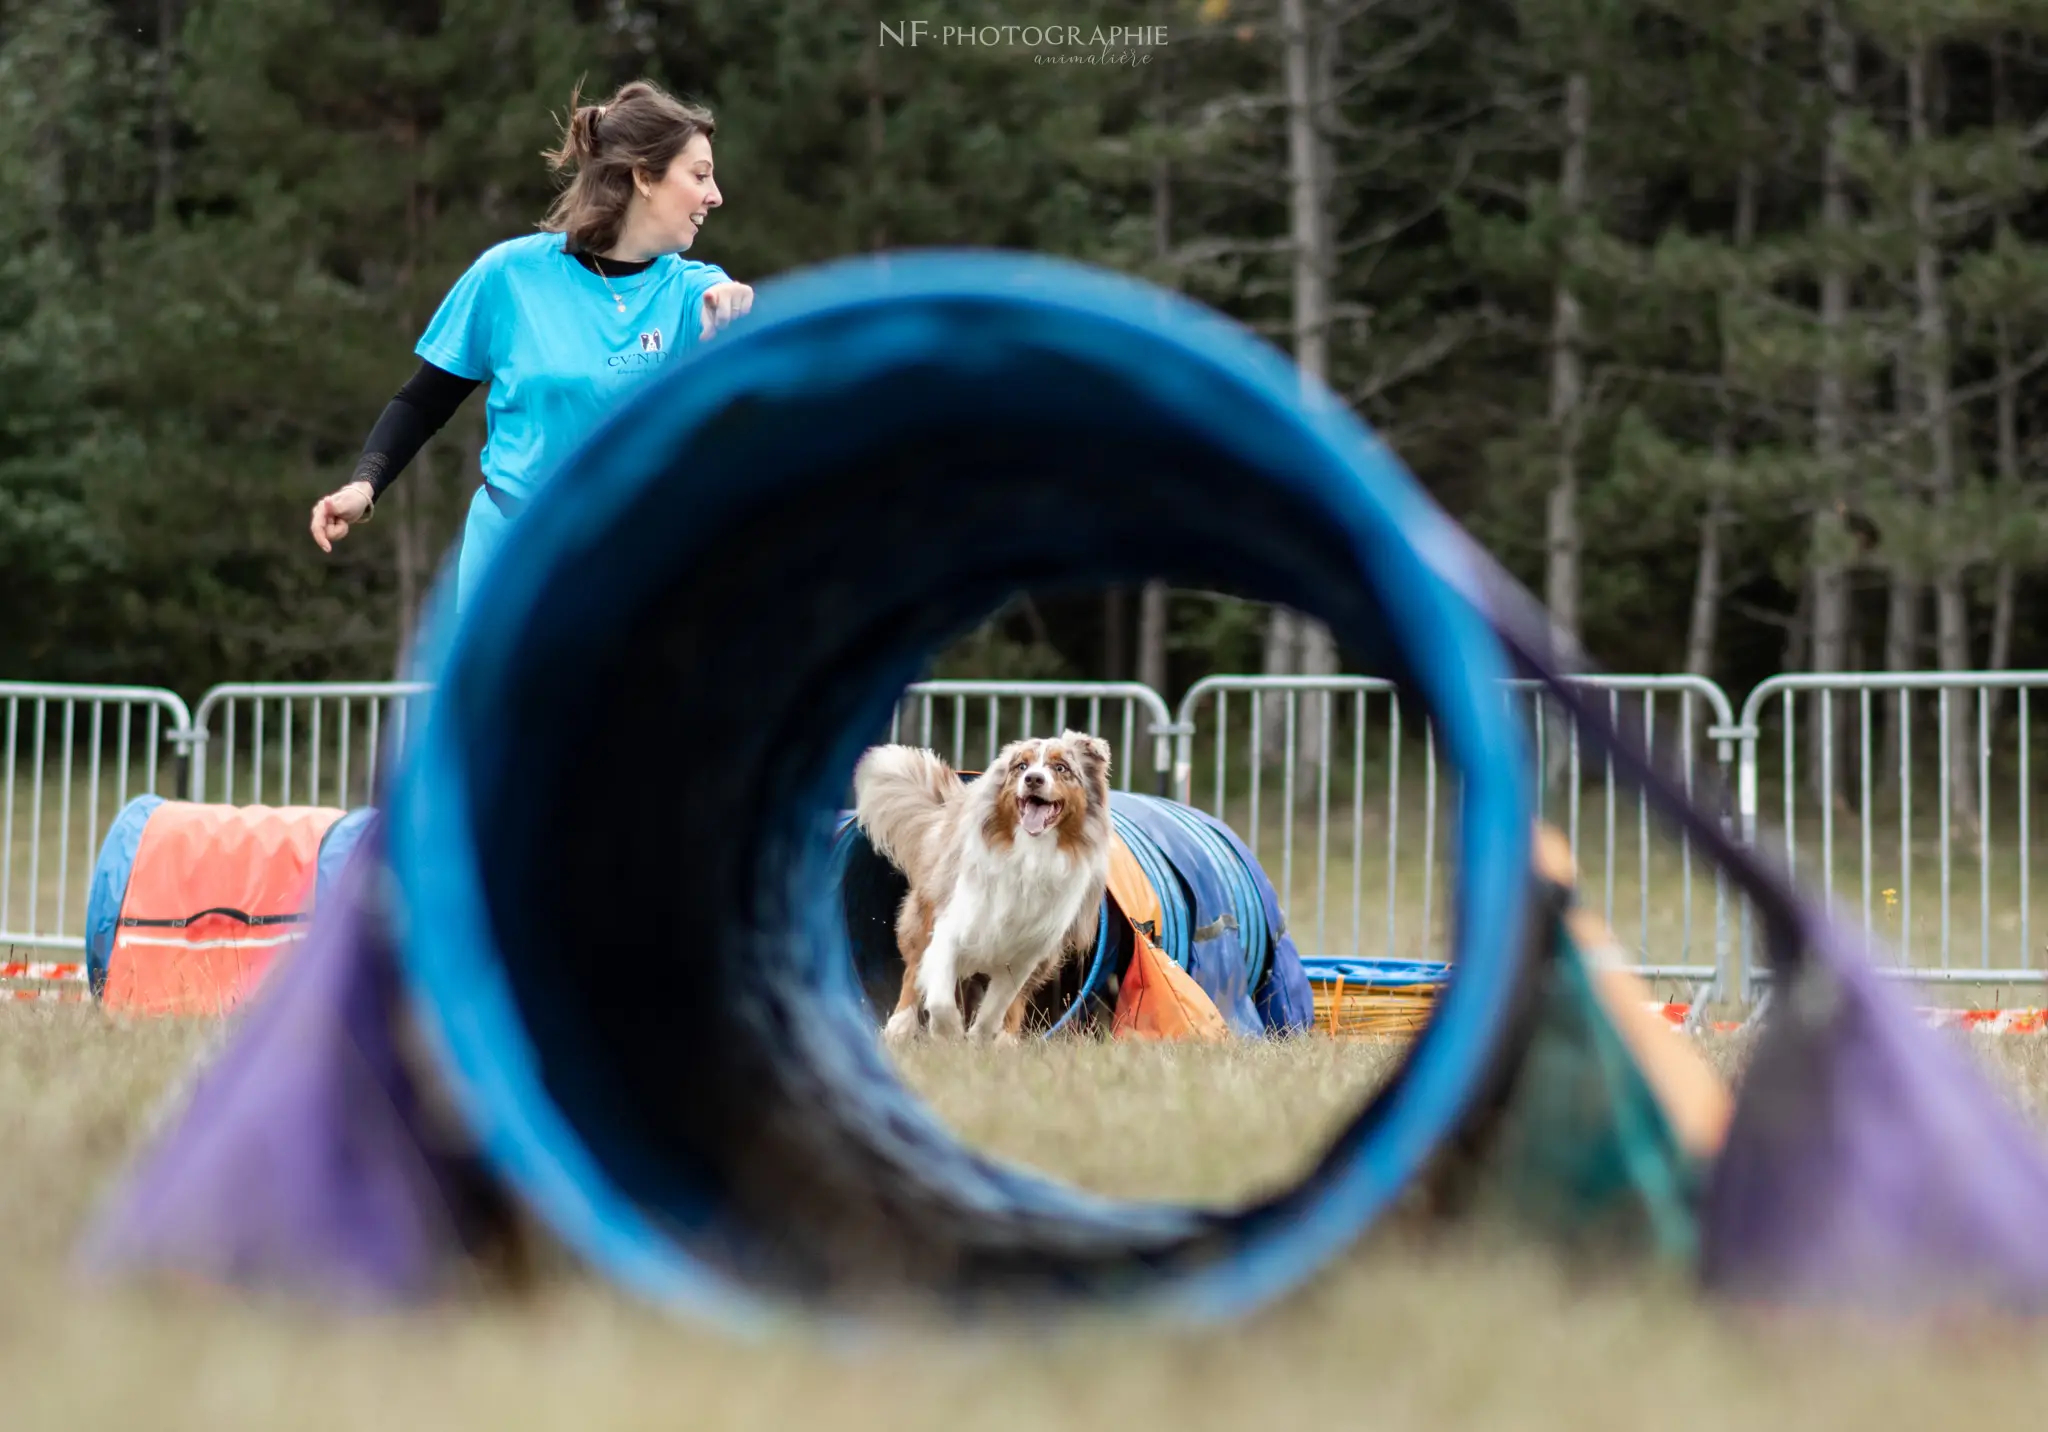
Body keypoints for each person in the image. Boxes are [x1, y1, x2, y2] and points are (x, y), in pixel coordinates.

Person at [308, 80, 755, 612]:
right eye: (700, 175)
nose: (715, 194)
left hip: (626, 561)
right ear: (644, 177)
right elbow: (423, 402)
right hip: (510, 563)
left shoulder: (693, 292)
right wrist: (364, 487)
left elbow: (724, 316)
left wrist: (732, 304)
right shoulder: (509, 276)